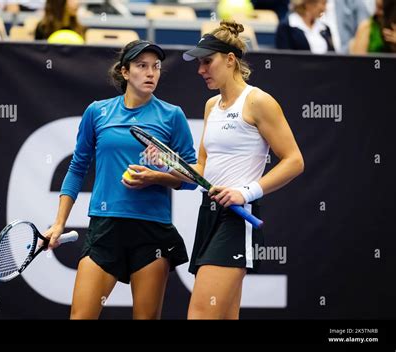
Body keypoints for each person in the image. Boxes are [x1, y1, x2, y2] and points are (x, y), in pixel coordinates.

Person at [43, 40, 197, 319]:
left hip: (152, 233)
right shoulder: (97, 112)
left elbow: (192, 178)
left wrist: (156, 177)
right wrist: (58, 223)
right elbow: (77, 168)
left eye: (156, 67)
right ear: (125, 72)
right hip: (105, 229)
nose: (151, 73)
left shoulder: (172, 116)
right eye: (142, 66)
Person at [182, 20, 304, 319]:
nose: (201, 70)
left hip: (236, 222)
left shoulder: (259, 101)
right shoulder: (211, 105)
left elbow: (294, 160)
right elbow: (202, 167)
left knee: (200, 314)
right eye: (199, 63)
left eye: (207, 62)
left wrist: (244, 192)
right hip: (207, 215)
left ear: (230, 59)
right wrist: (165, 169)